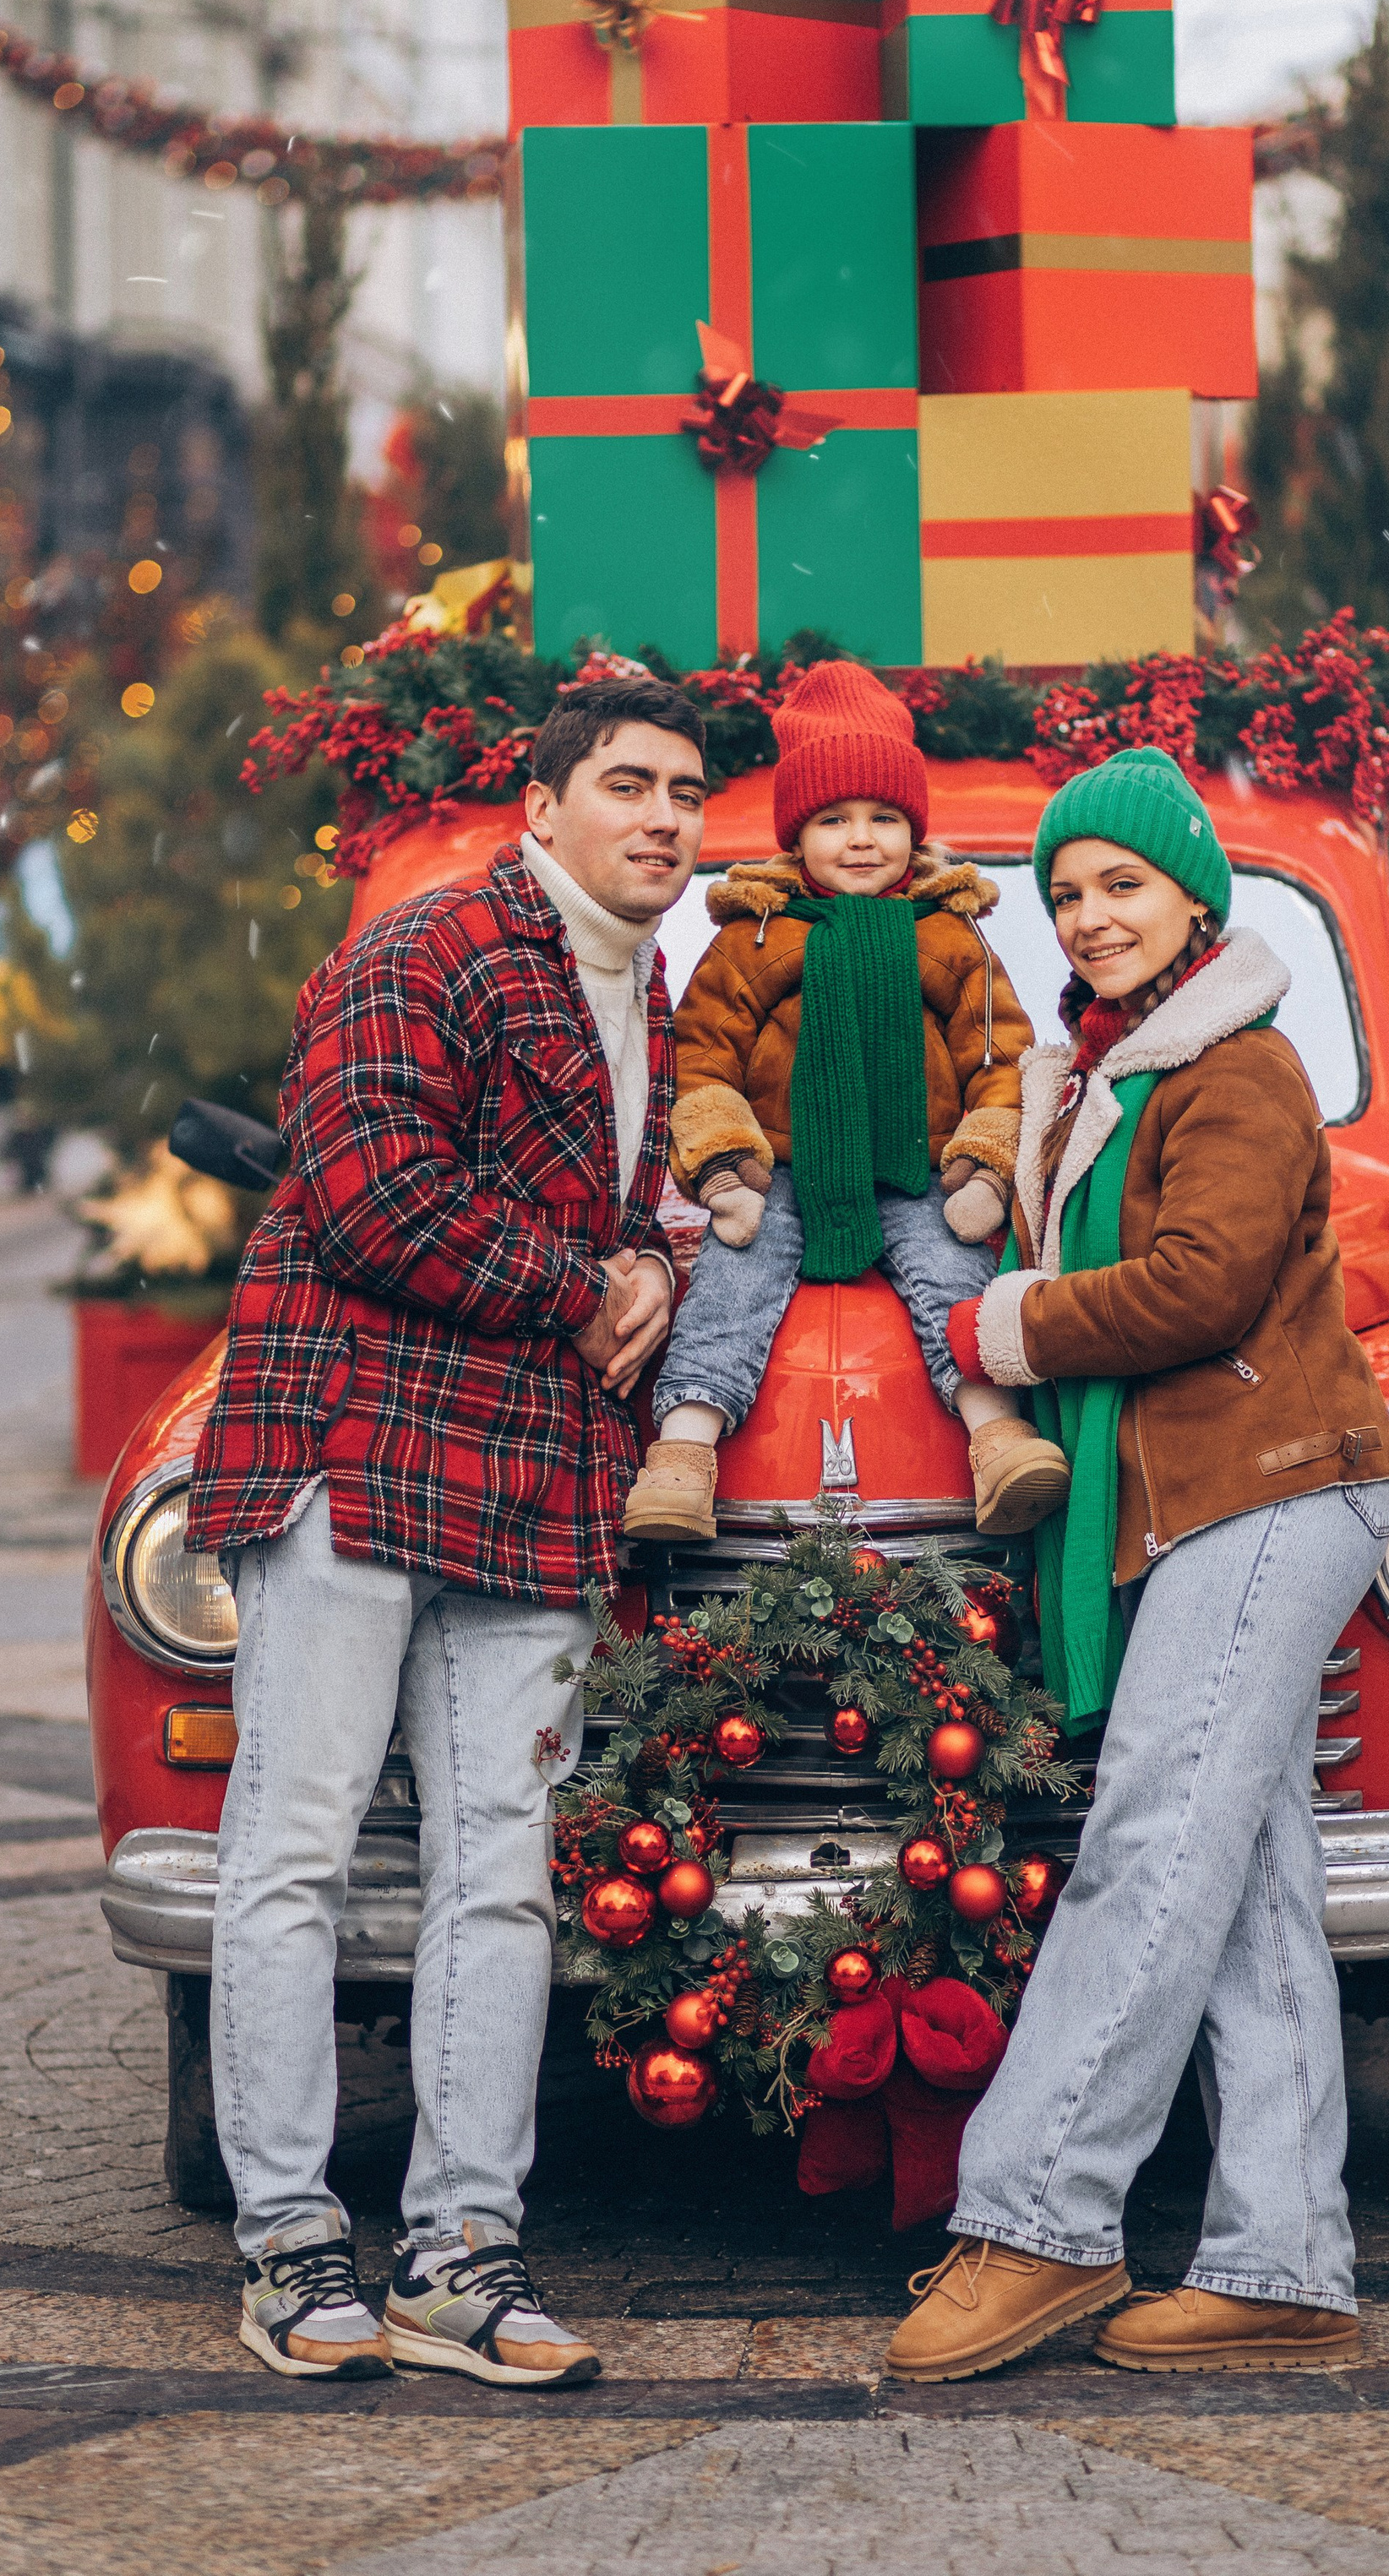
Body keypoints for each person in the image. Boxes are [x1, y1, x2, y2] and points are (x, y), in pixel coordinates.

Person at [184, 675, 708, 2383]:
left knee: (498, 1876)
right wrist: (587, 1285)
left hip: (529, 1482)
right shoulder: (429, 947)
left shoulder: (648, 995)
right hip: (355, 1451)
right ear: (541, 805)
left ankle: (458, 2258)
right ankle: (284, 2245)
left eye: (684, 793)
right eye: (624, 782)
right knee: (294, 1853)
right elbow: (366, 1187)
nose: (660, 816)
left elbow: (642, 1208)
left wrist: (653, 1266)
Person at [880, 746, 1389, 2383]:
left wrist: (998, 1322)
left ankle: (1040, 2218)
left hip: (1262, 1484)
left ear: (1192, 891)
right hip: (1202, 1499)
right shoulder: (1110, 1072)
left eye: (1120, 881)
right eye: (1067, 895)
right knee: (1242, 1882)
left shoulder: (1228, 1069)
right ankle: (1278, 2255)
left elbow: (1201, 1282)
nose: (1091, 914)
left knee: (1151, 1843)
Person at [622, 661, 1070, 1546]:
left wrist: (981, 1165)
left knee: (954, 1273)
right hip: (784, 1168)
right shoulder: (755, 933)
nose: (861, 840)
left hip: (915, 1165)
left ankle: (994, 1438)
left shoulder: (947, 934)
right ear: (798, 835)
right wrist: (723, 1167)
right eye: (834, 820)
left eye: (884, 819)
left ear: (913, 829)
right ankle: (682, 1457)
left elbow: (998, 1053)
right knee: (731, 1284)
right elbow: (702, 1050)